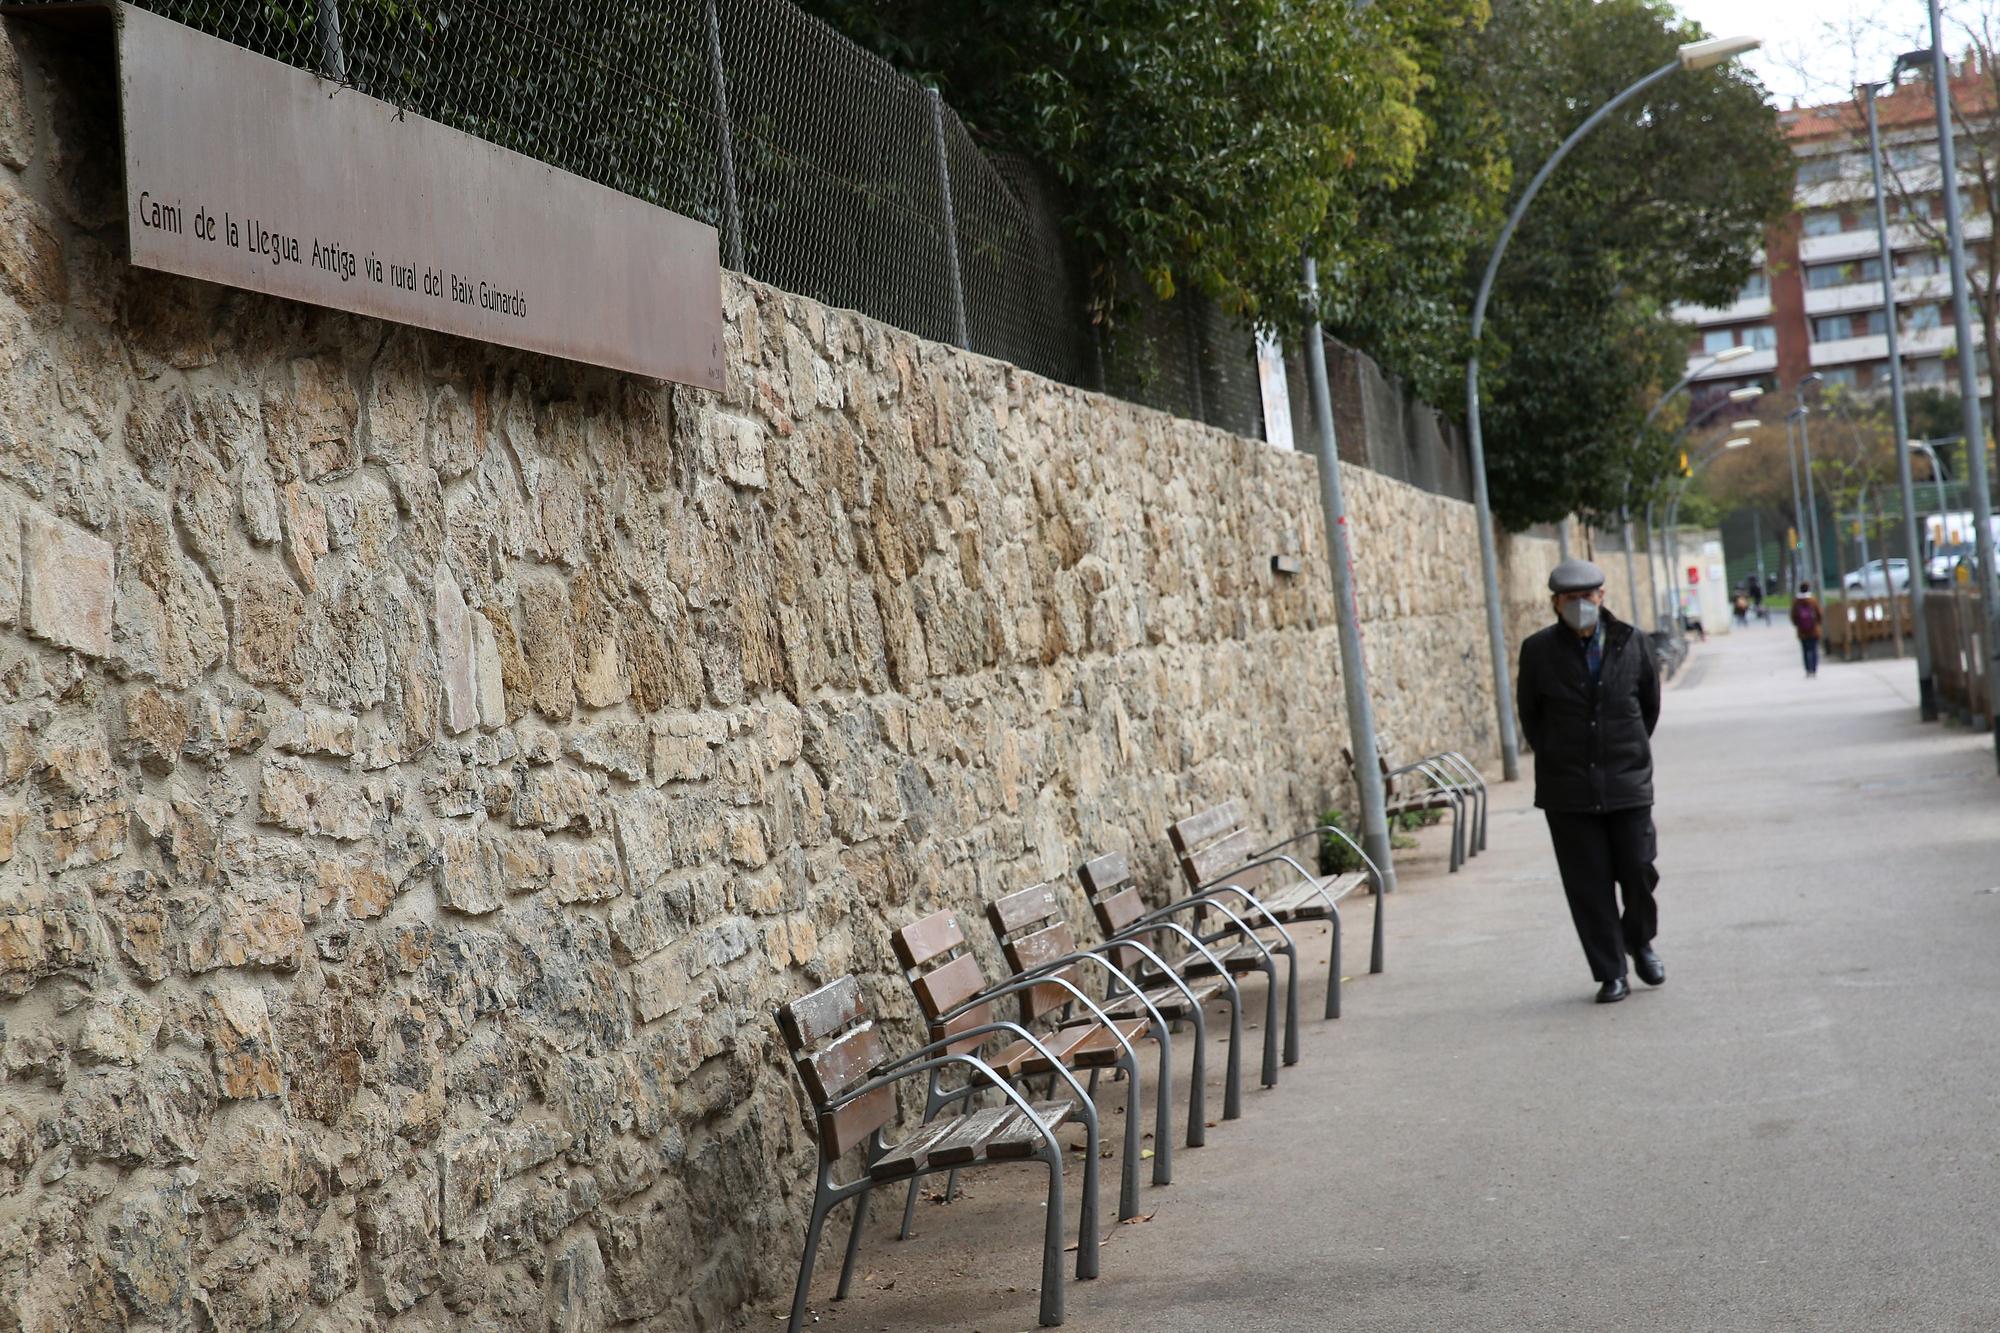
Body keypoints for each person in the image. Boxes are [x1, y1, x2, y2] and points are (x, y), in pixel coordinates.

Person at [1516, 559, 1664, 1004]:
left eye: (1588, 597)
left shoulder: (1632, 642)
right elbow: (1532, 720)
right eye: (1570, 599)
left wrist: (1627, 752)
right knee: (1588, 884)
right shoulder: (1538, 650)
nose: (1580, 605)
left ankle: (1639, 941)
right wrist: (1564, 757)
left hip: (1627, 781)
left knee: (1638, 871)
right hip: (1569, 791)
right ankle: (1611, 971)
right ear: (1555, 604)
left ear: (1602, 597)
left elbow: (1649, 706)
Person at [1790, 582, 1822, 677]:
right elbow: (1819, 614)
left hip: (1802, 631)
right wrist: (1818, 624)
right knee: (1813, 649)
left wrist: (1797, 624)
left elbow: (1793, 616)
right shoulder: (1813, 600)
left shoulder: (1796, 601)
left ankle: (1808, 669)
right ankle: (1814, 669)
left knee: (1805, 650)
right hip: (1814, 630)